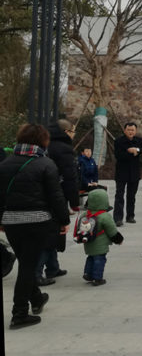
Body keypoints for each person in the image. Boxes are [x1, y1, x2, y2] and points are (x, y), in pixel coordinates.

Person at [0, 124, 70, 329]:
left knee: (26, 262)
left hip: (11, 222)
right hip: (37, 221)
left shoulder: (5, 163)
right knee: (28, 266)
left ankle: (37, 299)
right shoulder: (46, 164)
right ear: (42, 141)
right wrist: (63, 221)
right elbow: (56, 196)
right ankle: (19, 313)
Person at [36, 119, 80, 286]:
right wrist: (75, 201)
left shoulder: (46, 144)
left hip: (42, 194)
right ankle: (37, 272)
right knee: (51, 234)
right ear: (67, 132)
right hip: (56, 194)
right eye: (73, 132)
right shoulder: (64, 149)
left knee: (53, 233)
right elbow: (70, 177)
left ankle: (53, 267)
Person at [80, 188, 124, 286]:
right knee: (99, 259)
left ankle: (88, 273)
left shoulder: (85, 214)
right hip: (100, 244)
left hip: (88, 241)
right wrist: (119, 239)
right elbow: (112, 230)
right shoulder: (104, 216)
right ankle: (97, 278)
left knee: (90, 257)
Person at [113, 122, 142, 225]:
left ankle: (130, 216)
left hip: (134, 173)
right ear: (125, 130)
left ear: (135, 131)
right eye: (128, 130)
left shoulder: (139, 140)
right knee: (119, 196)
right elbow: (118, 155)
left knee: (131, 196)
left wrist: (136, 149)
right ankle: (118, 218)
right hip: (121, 172)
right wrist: (131, 153)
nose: (130, 132)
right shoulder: (119, 141)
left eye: (132, 130)